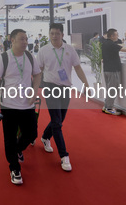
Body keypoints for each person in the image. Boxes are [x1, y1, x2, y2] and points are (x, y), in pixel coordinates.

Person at [0, 29, 42, 185]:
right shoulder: (4, 58)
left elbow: (38, 74)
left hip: (28, 104)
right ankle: (14, 168)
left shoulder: (30, 57)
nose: (25, 42)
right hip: (9, 105)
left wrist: (35, 91)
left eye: (26, 39)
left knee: (31, 134)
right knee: (9, 138)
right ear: (12, 40)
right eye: (21, 39)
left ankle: (17, 149)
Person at [37, 23, 90, 172]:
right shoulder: (43, 51)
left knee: (60, 119)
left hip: (66, 87)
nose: (54, 36)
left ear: (62, 34)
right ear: (49, 34)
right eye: (52, 33)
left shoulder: (69, 50)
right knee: (57, 121)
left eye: (57, 33)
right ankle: (64, 156)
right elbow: (38, 71)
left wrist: (86, 84)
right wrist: (32, 88)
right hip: (50, 86)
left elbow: (78, 68)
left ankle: (45, 137)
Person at [101, 29, 126, 115]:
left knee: (110, 89)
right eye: (116, 35)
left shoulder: (105, 43)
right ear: (112, 36)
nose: (117, 36)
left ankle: (107, 106)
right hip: (113, 70)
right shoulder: (111, 44)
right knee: (112, 89)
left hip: (107, 69)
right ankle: (109, 108)